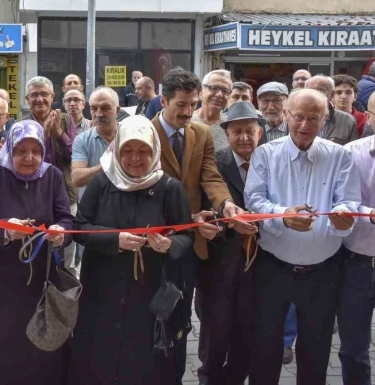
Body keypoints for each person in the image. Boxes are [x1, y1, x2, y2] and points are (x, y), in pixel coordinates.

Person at [67, 115, 194, 385]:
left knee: (143, 361)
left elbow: (187, 236)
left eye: (143, 151)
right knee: (101, 355)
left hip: (148, 289)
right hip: (103, 287)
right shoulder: (102, 183)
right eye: (127, 150)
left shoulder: (169, 188)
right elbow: (80, 227)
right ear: (116, 149)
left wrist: (170, 245)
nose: (135, 158)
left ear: (155, 151)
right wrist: (114, 239)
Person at [245, 89, 361, 384]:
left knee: (317, 346)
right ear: (286, 116)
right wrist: (284, 214)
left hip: (322, 270)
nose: (305, 125)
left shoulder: (340, 155)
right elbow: (254, 201)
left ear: (325, 120)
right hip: (273, 266)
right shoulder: (265, 154)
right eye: (299, 117)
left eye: (314, 118)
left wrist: (344, 213)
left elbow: (348, 199)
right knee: (265, 343)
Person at [152, 67, 243, 381]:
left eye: (192, 104)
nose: (189, 112)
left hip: (192, 244)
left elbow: (210, 177)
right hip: (154, 240)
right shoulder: (144, 132)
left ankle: (180, 372)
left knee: (183, 318)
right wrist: (182, 222)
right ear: (163, 100)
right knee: (154, 315)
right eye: (181, 105)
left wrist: (225, 204)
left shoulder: (201, 133)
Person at [0, 120, 72, 385]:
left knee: (40, 347)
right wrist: (5, 232)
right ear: (9, 149)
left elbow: (67, 219)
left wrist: (61, 233)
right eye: (21, 151)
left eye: (35, 151)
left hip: (40, 281)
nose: (29, 158)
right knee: (0, 345)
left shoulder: (53, 176)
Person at [197, 101, 263, 385]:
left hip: (258, 265)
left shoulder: (269, 160)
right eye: (237, 132)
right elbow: (204, 207)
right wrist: (224, 225)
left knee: (247, 333)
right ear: (226, 133)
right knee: (215, 332)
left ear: (260, 132)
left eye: (250, 131)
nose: (245, 138)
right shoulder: (215, 162)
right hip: (218, 264)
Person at [339, 87, 375, 384]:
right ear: (368, 117)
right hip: (353, 268)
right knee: (352, 352)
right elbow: (337, 204)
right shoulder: (349, 155)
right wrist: (372, 214)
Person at [22, 76, 78, 274]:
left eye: (44, 94)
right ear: (27, 99)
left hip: (65, 194)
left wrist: (59, 134)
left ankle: (64, 298)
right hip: (33, 196)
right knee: (37, 248)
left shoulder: (64, 119)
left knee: (66, 253)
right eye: (34, 95)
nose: (39, 99)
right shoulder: (22, 126)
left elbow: (75, 155)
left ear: (52, 97)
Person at [71, 87, 119, 198]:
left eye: (105, 108)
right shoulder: (82, 140)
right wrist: (109, 164)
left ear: (117, 110)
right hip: (93, 210)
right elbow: (77, 178)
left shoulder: (130, 135)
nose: (98, 114)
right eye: (94, 108)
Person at [304, 75, 359, 144]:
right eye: (310, 90)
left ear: (332, 95)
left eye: (320, 90)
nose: (315, 95)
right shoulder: (294, 117)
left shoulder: (348, 121)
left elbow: (352, 151)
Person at [192, 69, 233, 152]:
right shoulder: (187, 121)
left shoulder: (231, 125)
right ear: (200, 93)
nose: (219, 95)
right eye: (214, 88)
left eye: (225, 91)